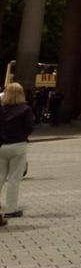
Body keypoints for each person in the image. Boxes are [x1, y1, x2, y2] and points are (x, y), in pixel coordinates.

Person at [0, 82, 34, 224]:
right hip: (18, 145)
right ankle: (11, 209)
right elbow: (30, 127)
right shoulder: (25, 109)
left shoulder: (1, 109)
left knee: (0, 177)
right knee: (14, 178)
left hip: (1, 145)